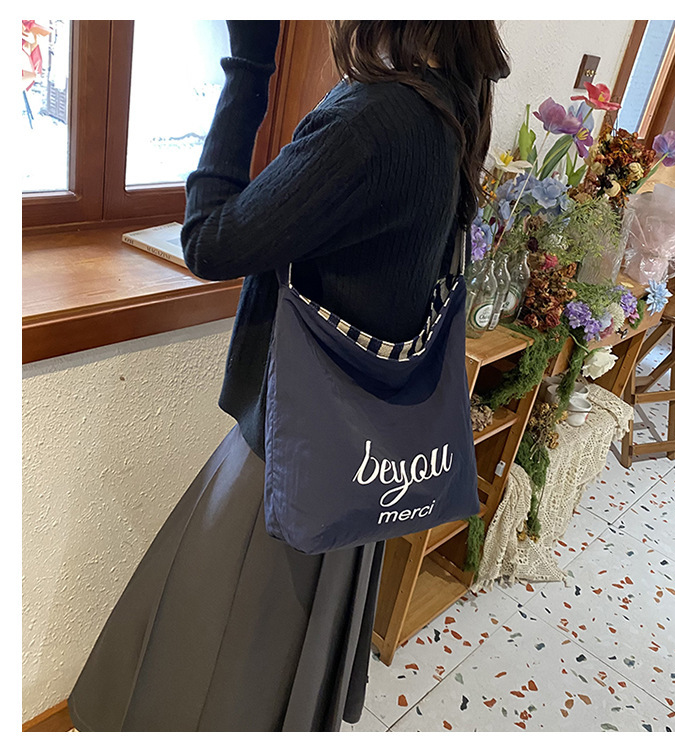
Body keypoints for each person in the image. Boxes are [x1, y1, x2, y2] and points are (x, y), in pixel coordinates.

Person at [67, 20, 510, 732]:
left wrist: (250, 57)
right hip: (357, 457)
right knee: (268, 664)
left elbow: (209, 241)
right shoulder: (449, 102)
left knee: (212, 659)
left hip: (297, 448)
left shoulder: (375, 119)